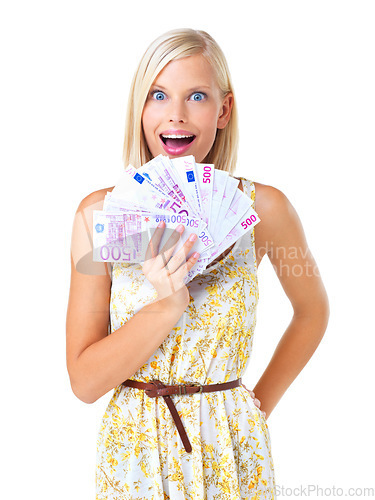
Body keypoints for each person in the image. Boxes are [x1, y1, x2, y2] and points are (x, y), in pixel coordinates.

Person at [66, 28, 329, 499]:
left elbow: (312, 313)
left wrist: (253, 408)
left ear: (224, 109)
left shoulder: (264, 210)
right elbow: (85, 383)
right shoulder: (97, 214)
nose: (176, 115)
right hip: (134, 456)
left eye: (198, 96)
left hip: (232, 451)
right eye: (159, 95)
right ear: (139, 107)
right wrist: (166, 307)